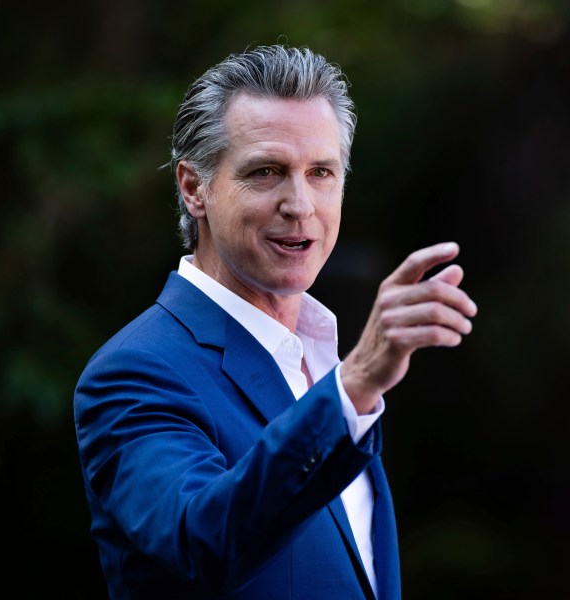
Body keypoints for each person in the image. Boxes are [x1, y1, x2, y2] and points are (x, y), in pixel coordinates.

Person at [73, 44, 478, 600]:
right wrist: (353, 385)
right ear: (194, 188)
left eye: (321, 173)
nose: (300, 204)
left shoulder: (321, 359)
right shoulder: (136, 371)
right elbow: (201, 541)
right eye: (267, 172)